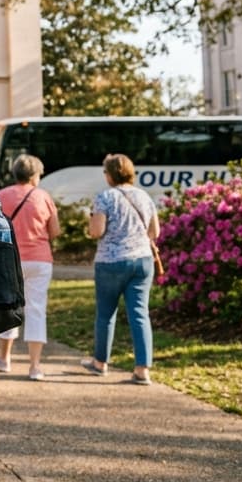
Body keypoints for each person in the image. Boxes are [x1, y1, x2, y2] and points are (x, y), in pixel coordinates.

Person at [80, 153, 160, 386]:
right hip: (142, 261)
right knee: (139, 314)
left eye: (105, 172)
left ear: (110, 175)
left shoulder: (105, 197)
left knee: (106, 314)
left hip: (111, 262)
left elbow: (96, 231)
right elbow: (155, 231)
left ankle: (100, 363)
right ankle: (142, 369)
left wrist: (91, 221)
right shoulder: (144, 196)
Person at [0, 154, 60, 380]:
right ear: (34, 175)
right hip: (40, 260)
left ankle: (4, 358)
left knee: (9, 306)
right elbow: (55, 231)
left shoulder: (1, 196)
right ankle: (34, 367)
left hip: (10, 259)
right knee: (36, 309)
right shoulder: (43, 197)